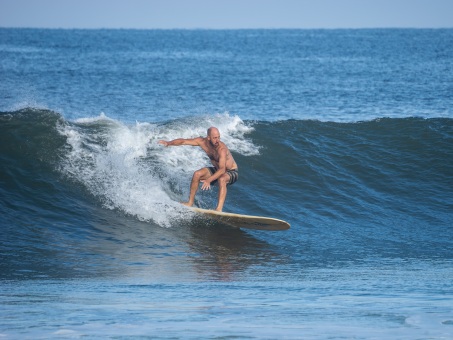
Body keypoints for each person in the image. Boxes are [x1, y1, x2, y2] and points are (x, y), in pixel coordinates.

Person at [159, 127, 238, 212]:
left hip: (231, 172)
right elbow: (184, 141)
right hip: (217, 169)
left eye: (219, 137)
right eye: (215, 138)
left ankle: (219, 209)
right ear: (208, 138)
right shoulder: (202, 142)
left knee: (222, 179)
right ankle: (190, 202)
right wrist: (169, 143)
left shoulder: (221, 149)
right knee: (197, 174)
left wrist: (208, 180)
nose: (217, 140)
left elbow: (222, 170)